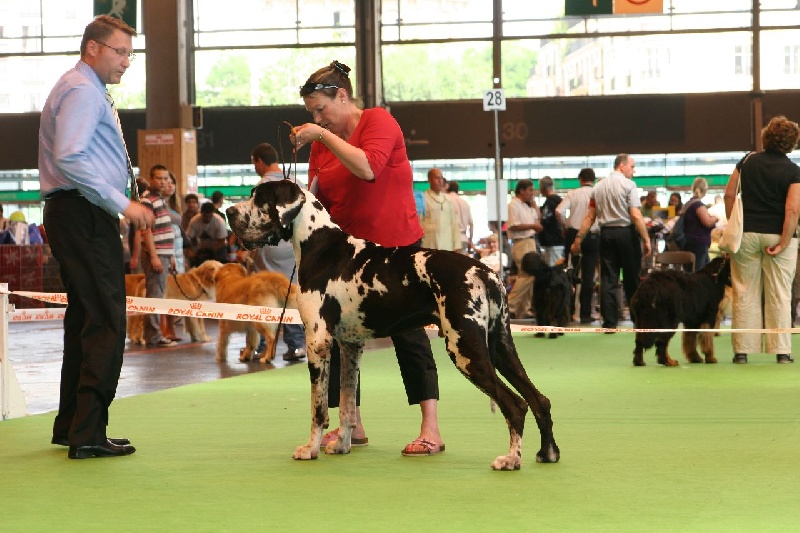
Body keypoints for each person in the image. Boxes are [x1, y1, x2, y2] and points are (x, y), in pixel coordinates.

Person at [290, 60, 444, 456]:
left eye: (322, 109)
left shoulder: (378, 121)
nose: (318, 118)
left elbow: (368, 169)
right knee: (338, 335)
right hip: (347, 258)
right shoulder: (322, 145)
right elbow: (316, 202)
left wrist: (321, 135)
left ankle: (431, 429)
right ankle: (350, 425)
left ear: (342, 96)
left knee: (409, 335)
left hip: (395, 250)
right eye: (312, 114)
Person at [38, 15, 152, 459]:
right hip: (84, 211)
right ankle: (87, 431)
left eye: (130, 53)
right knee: (106, 317)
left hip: (75, 211)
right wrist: (122, 203)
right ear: (93, 49)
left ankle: (73, 425)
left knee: (85, 317)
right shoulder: (83, 90)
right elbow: (71, 157)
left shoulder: (78, 87)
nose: (126, 62)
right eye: (120, 52)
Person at [726, 115, 800, 364]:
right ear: (792, 143)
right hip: (778, 234)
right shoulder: (793, 171)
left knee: (744, 291)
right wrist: (785, 241)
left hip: (746, 234)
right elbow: (792, 210)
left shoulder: (746, 162)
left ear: (766, 136)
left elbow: (728, 195)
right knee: (780, 293)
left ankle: (742, 352)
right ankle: (781, 352)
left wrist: (733, 227)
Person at [571, 154, 651, 331]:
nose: (634, 170)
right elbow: (636, 215)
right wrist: (646, 239)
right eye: (632, 166)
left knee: (608, 279)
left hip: (605, 235)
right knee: (632, 279)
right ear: (622, 166)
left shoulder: (597, 187)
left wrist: (578, 239)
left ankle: (609, 322)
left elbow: (590, 216)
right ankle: (638, 320)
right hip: (626, 234)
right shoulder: (629, 185)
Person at [249, 142, 307, 362]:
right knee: (291, 295)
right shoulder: (295, 181)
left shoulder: (261, 187)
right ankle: (296, 345)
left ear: (259, 161)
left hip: (270, 248)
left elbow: (255, 222)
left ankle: (262, 346)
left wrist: (249, 250)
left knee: (265, 296)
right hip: (294, 247)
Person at [138, 164, 176, 347]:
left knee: (158, 295)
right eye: (159, 178)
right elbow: (146, 231)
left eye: (166, 178)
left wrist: (172, 256)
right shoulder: (147, 200)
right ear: (151, 179)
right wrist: (154, 256)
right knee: (154, 296)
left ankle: (154, 334)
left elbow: (164, 230)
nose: (163, 182)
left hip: (165, 253)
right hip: (157, 255)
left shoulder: (160, 199)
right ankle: (153, 336)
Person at [557, 168, 600, 324]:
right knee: (588, 277)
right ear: (593, 179)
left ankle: (568, 311)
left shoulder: (573, 193)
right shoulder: (597, 192)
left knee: (570, 273)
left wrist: (564, 226)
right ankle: (585, 314)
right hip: (592, 235)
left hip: (573, 234)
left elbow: (558, 211)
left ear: (580, 179)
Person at [506, 179, 542, 319]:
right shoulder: (513, 205)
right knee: (528, 274)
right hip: (521, 242)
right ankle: (510, 304)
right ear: (522, 190)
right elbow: (513, 226)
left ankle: (523, 309)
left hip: (531, 241)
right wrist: (532, 227)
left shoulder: (528, 207)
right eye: (530, 190)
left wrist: (535, 207)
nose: (532, 193)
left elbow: (537, 220)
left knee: (528, 275)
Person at [161, 171, 188, 342]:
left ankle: (170, 328)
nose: (170, 185)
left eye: (172, 182)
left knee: (173, 294)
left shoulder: (173, 205)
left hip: (178, 254)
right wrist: (169, 254)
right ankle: (164, 330)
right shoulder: (157, 204)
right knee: (164, 294)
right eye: (167, 182)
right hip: (167, 253)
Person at [681, 177, 718, 271]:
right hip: (698, 244)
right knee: (699, 272)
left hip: (689, 242)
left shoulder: (688, 204)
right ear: (704, 190)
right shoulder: (698, 205)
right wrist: (715, 218)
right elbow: (707, 222)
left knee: (697, 270)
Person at [420, 168, 461, 251]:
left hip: (448, 246)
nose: (440, 181)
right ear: (429, 180)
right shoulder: (423, 198)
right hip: (429, 245)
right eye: (437, 178)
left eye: (441, 178)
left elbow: (454, 224)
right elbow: (419, 223)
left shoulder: (448, 199)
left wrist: (457, 245)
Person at [185, 202, 228, 267]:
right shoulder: (194, 221)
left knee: (219, 262)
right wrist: (190, 250)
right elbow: (188, 238)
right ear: (201, 213)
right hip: (202, 247)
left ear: (213, 213)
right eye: (205, 216)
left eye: (210, 216)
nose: (208, 218)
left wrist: (210, 252)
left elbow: (221, 241)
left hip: (218, 246)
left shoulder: (219, 221)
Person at [538, 176, 565, 266]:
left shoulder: (550, 202)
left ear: (543, 188)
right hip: (557, 240)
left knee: (554, 268)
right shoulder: (559, 200)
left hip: (553, 241)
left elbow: (544, 220)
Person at [446, 180, 474, 254]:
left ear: (447, 188)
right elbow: (471, 224)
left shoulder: (446, 200)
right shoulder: (465, 203)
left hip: (451, 238)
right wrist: (470, 240)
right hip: (464, 238)